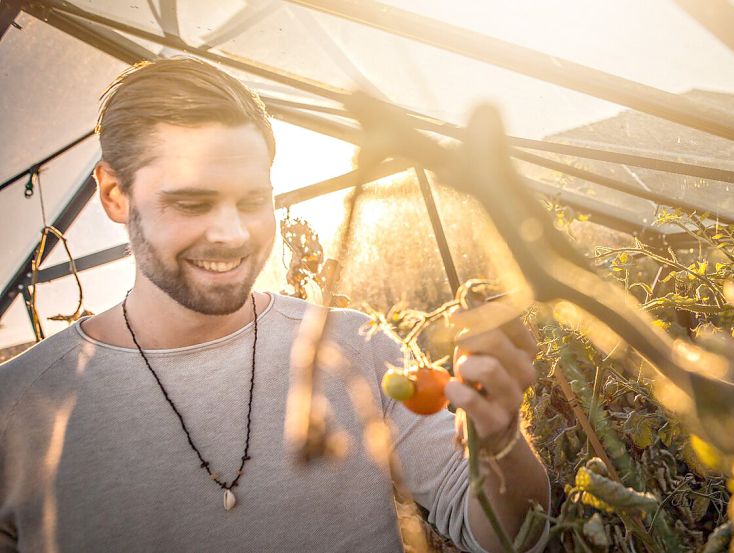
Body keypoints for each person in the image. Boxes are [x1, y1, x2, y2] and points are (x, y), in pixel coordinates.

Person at [0, 57, 549, 552]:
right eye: (192, 201)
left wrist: (499, 443)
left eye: (253, 199)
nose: (232, 233)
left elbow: (507, 536)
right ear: (115, 195)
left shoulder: (357, 347)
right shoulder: (16, 408)